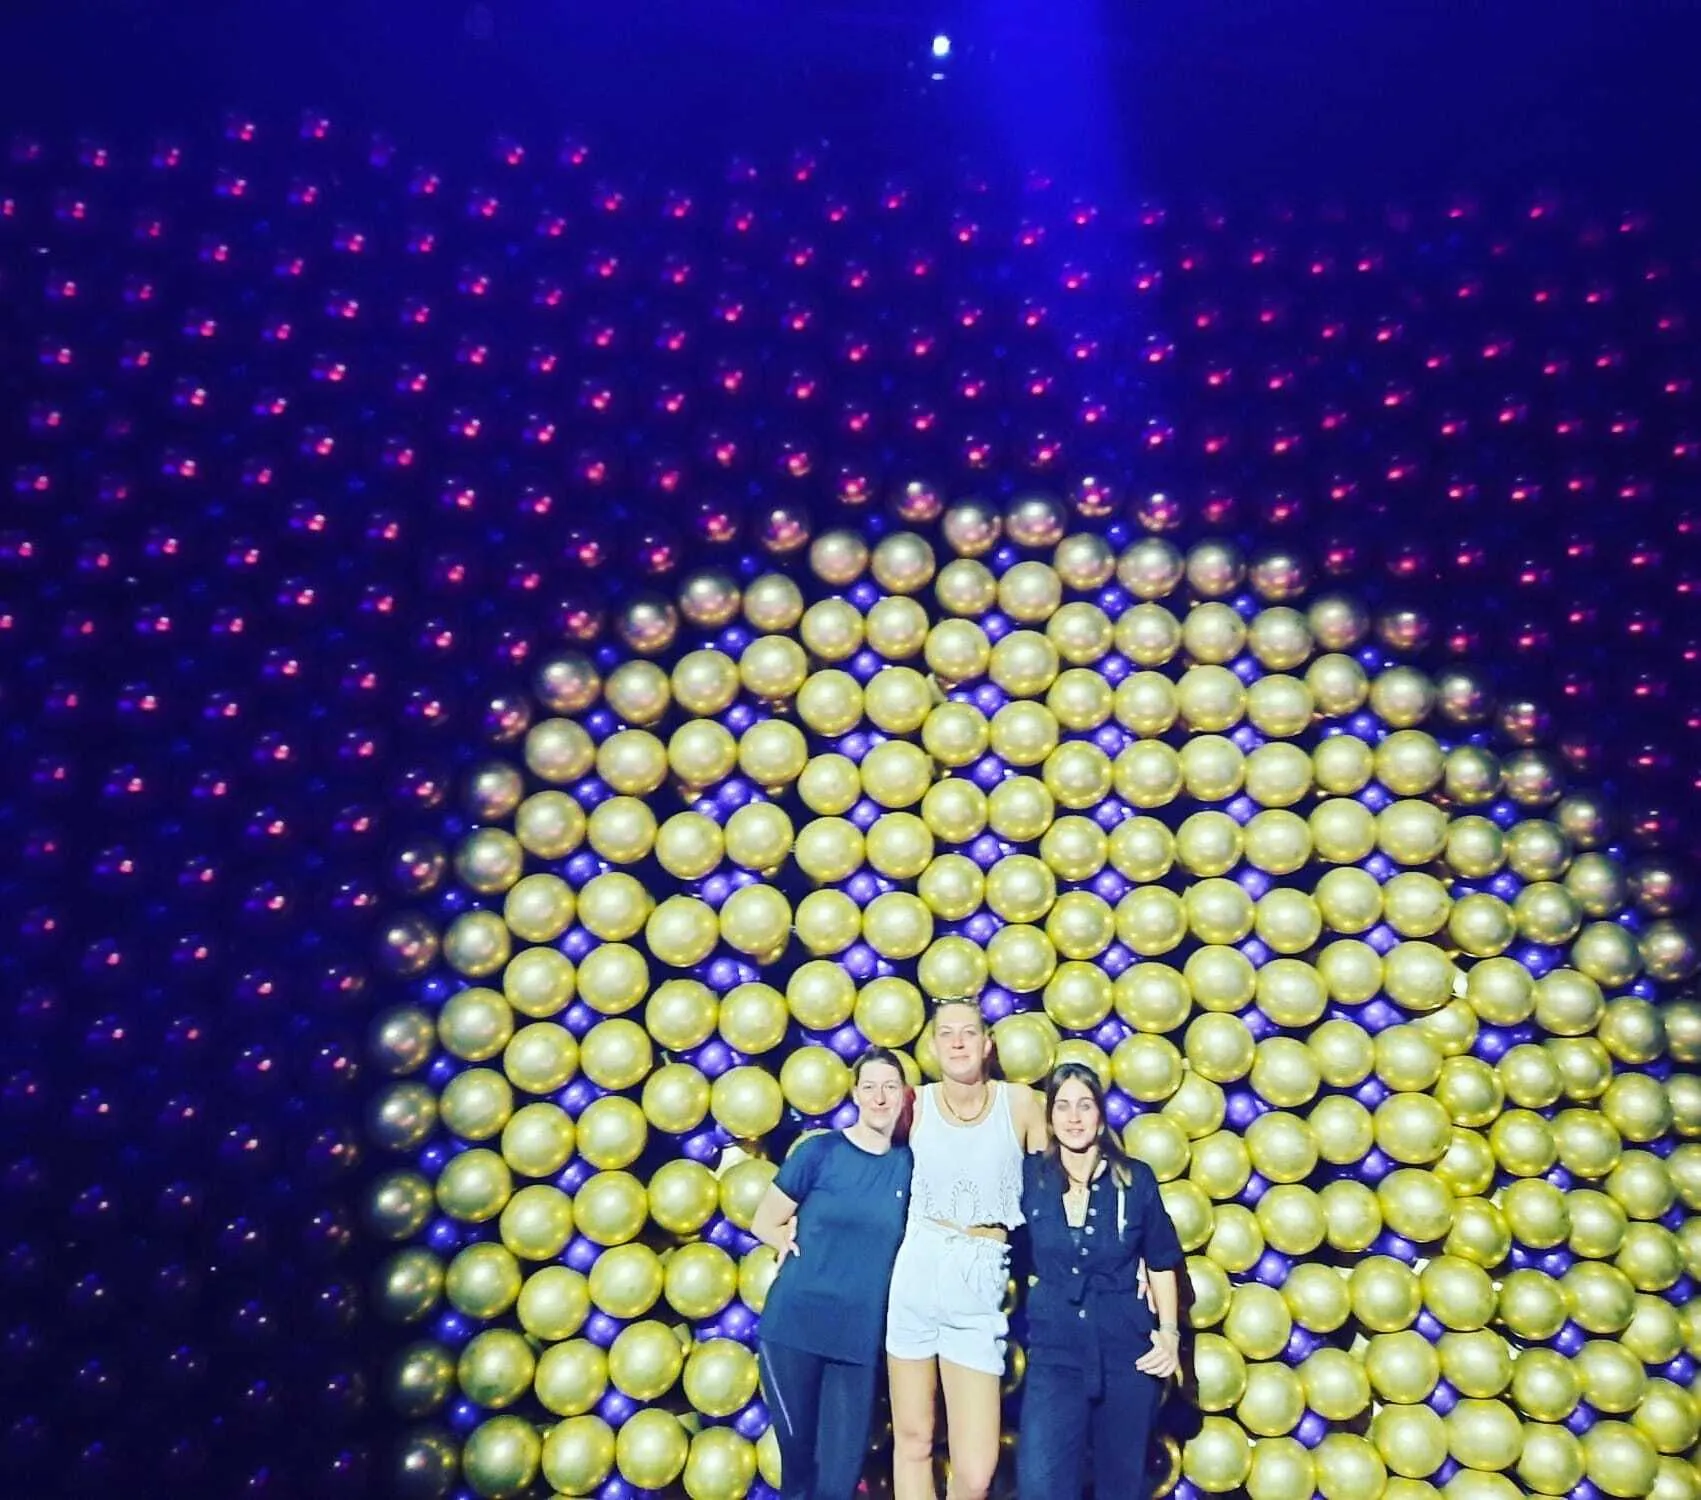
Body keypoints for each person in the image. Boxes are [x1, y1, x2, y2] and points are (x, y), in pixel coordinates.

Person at [886, 997, 1048, 1500]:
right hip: (918, 1267)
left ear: (988, 1044)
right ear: (933, 1046)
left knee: (975, 1471)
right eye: (947, 1033)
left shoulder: (1020, 1103)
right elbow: (863, 1166)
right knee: (913, 1440)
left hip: (981, 1277)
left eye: (969, 1032)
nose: (958, 1041)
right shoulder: (913, 1104)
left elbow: (1056, 1192)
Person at [1015, 1061, 1184, 1500]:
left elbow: (1162, 1259)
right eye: (1063, 1107)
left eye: (1085, 1106)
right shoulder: (1030, 1178)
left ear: (1101, 1115)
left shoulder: (1135, 1179)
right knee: (1041, 1483)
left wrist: (1168, 1334)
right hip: (1055, 1355)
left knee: (1120, 1486)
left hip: (1125, 1351)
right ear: (1050, 1118)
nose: (1074, 1118)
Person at [751, 1046, 914, 1500]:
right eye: (869, 1087)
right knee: (800, 1470)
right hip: (794, 1328)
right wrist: (782, 1239)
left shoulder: (910, 1166)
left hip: (856, 1342)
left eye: (889, 1086)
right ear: (855, 1095)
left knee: (838, 1481)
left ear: (903, 1095)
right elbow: (763, 1220)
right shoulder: (820, 1152)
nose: (879, 1097)